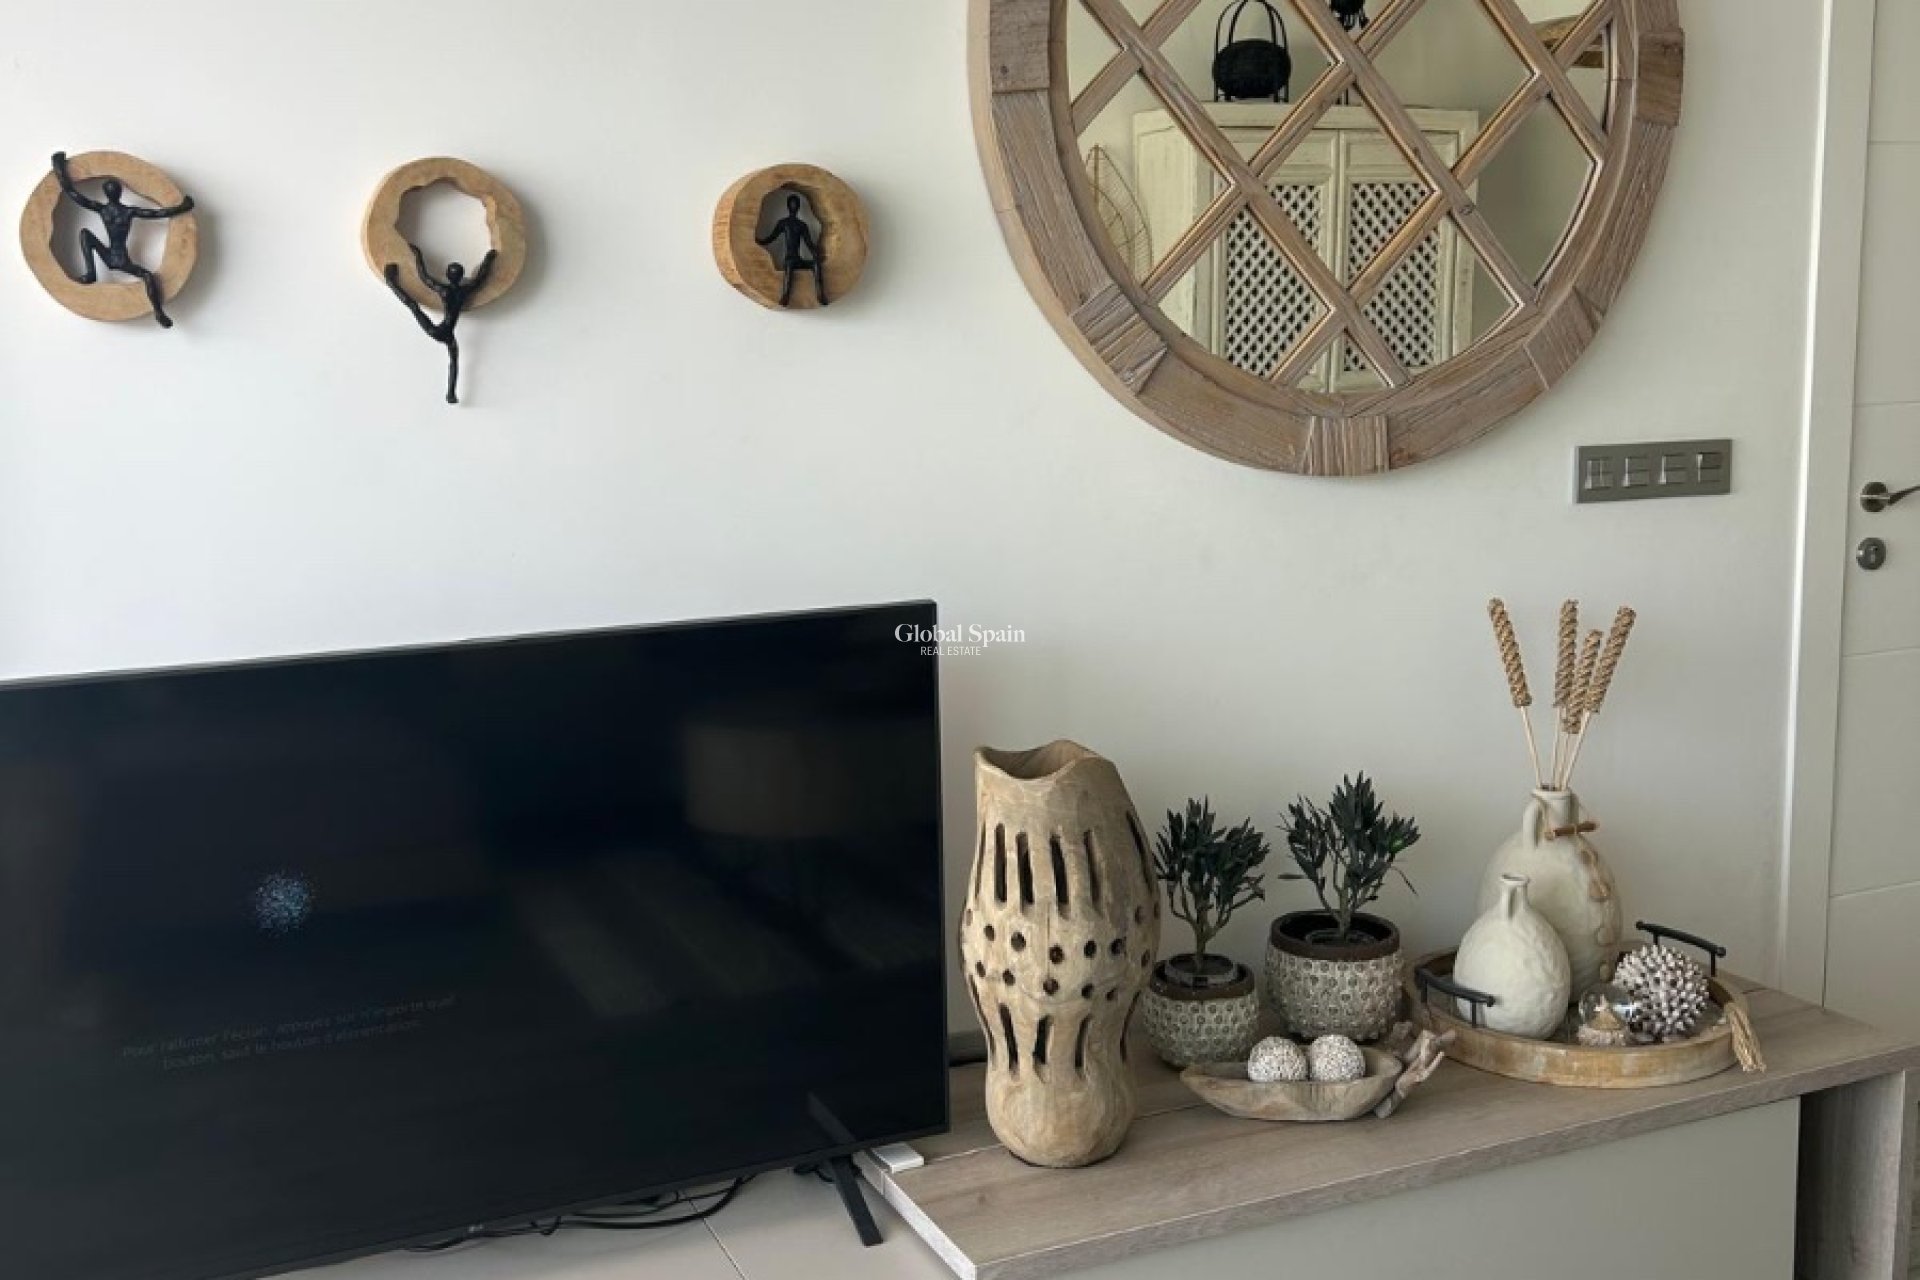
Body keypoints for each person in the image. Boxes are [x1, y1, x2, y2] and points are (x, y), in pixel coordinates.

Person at [51, 151, 196, 329]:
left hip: (108, 256)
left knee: (85, 235)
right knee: (148, 276)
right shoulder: (128, 212)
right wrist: (183, 207)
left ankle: (90, 272)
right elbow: (158, 213)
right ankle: (158, 312)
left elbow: (73, 194)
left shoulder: (102, 210)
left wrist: (59, 169)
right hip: (122, 260)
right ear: (120, 193)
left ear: (105, 193)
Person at [384, 245, 497, 405]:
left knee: (413, 306)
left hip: (437, 331)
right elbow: (481, 278)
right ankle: (450, 393)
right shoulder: (465, 290)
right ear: (461, 276)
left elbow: (424, 277)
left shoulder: (444, 290)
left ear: (447, 275)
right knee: (454, 361)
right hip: (448, 334)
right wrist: (489, 258)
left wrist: (418, 254)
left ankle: (391, 283)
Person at [757, 194, 828, 308]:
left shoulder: (802, 225)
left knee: (815, 264)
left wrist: (816, 254)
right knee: (789, 265)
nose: (794, 207)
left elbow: (809, 244)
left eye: (796, 204)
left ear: (798, 207)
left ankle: (820, 294)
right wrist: (758, 241)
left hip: (798, 260)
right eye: (792, 204)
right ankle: (785, 295)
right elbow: (771, 238)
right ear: (788, 206)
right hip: (789, 260)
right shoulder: (783, 223)